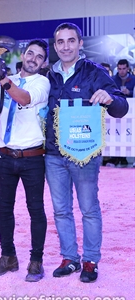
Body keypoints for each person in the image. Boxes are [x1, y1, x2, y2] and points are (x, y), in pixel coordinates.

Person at [45, 23, 128, 283]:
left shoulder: (94, 72)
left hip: (85, 154)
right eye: (61, 42)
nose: (66, 46)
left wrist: (110, 97)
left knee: (89, 208)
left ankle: (90, 260)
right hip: (53, 154)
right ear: (55, 45)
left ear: (80, 43)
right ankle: (70, 258)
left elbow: (121, 107)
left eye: (71, 41)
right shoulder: (49, 76)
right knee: (61, 210)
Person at [0, 39, 50, 282]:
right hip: (6, 156)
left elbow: (23, 99)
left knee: (35, 210)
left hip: (32, 157)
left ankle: (36, 261)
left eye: (39, 56)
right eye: (30, 53)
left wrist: (2, 80)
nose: (33, 58)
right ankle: (8, 257)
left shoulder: (42, 83)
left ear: (44, 63)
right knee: (4, 209)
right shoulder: (7, 78)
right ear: (23, 54)